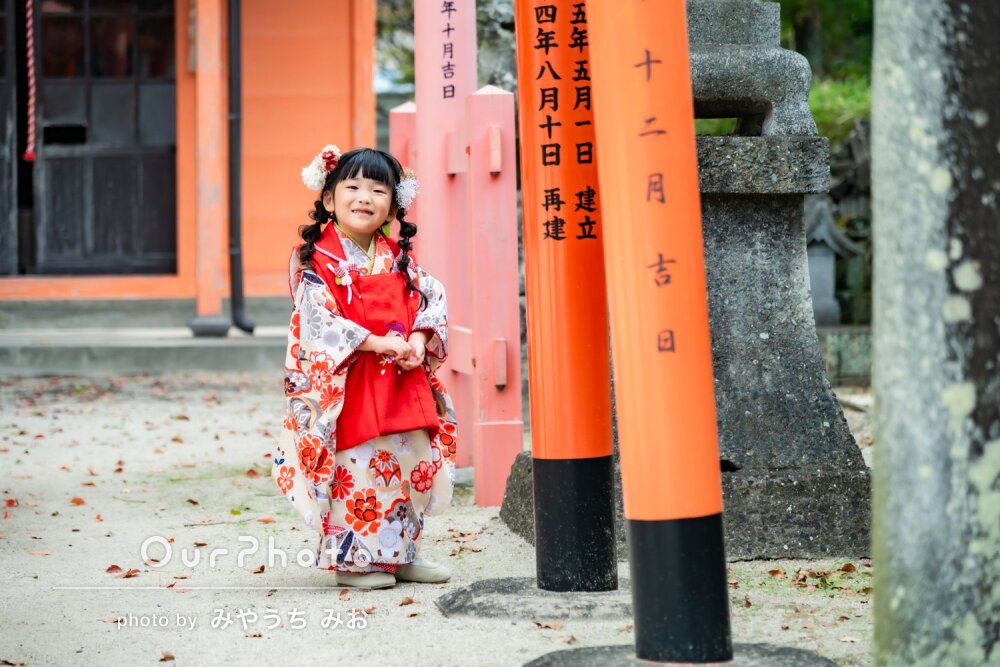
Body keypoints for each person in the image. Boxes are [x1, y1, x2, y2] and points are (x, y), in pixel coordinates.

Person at [272, 145, 458, 589]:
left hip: (398, 375)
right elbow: (316, 320)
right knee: (356, 465)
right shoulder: (314, 260)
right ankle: (353, 562)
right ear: (329, 199)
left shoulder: (398, 257)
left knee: (404, 459)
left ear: (393, 206)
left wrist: (416, 339)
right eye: (351, 186)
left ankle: (401, 553)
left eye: (378, 189)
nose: (364, 197)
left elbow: (431, 298)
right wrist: (376, 342)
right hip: (347, 379)